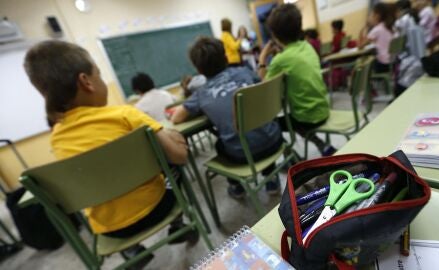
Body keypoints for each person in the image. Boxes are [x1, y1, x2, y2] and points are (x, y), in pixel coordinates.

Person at [23, 40, 198, 268]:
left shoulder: (57, 140)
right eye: (99, 74)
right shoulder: (125, 114)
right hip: (157, 208)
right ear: (86, 82)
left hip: (112, 231)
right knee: (171, 166)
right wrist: (174, 138)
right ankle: (178, 226)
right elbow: (180, 157)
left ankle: (132, 250)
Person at [171, 37, 282, 199]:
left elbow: (176, 118)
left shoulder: (202, 93)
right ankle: (271, 179)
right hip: (275, 140)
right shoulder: (244, 72)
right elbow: (261, 82)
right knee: (256, 128)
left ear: (199, 70)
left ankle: (237, 187)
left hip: (244, 156)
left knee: (220, 144)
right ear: (225, 57)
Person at [257, 4, 335, 157]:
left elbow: (265, 86)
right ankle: (322, 145)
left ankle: (291, 157)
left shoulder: (281, 59)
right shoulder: (307, 46)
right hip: (323, 109)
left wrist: (262, 57)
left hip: (308, 118)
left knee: (272, 125)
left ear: (274, 35)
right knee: (295, 119)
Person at [359, 2, 397, 73]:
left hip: (382, 64)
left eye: (371, 15)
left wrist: (365, 27)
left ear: (377, 16)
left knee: (361, 64)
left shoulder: (377, 29)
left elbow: (361, 46)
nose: (370, 17)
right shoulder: (391, 27)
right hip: (393, 62)